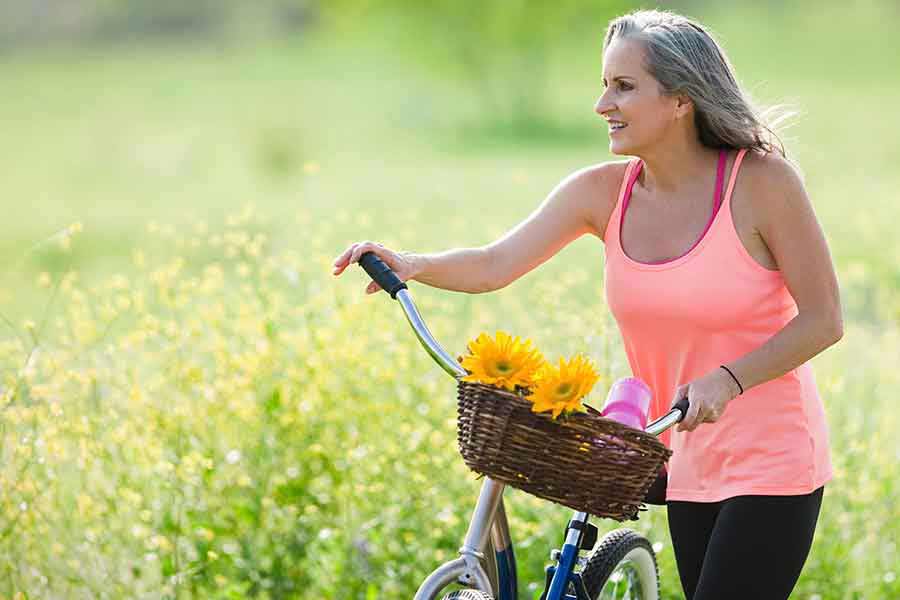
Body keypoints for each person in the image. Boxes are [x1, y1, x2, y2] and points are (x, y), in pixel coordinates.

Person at [332, 9, 842, 600]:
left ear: (681, 100)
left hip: (772, 459)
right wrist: (414, 264)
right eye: (604, 84)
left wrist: (729, 379)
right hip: (683, 455)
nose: (603, 104)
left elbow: (824, 318)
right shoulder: (602, 193)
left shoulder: (762, 183)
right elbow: (497, 263)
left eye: (623, 87)